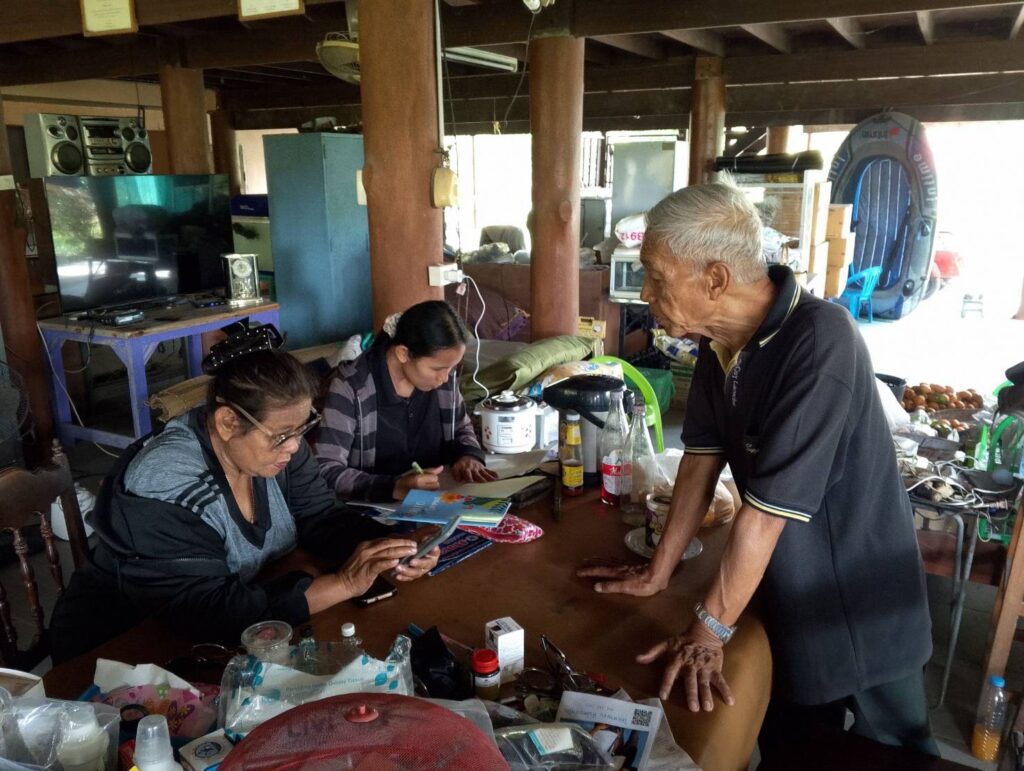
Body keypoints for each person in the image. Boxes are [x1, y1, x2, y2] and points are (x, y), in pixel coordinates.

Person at [578, 180, 938, 758]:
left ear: (715, 280)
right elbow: (699, 463)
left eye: (656, 277)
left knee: (895, 749)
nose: (645, 293)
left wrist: (707, 630)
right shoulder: (719, 342)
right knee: (796, 742)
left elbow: (766, 516)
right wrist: (658, 571)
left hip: (859, 590)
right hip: (790, 580)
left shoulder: (820, 339)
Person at [51, 327, 439, 662]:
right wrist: (344, 584)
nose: (295, 447)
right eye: (282, 435)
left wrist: (392, 548)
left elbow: (322, 517)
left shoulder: (277, 450)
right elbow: (211, 612)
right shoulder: (166, 482)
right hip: (122, 648)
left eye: (301, 429)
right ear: (227, 422)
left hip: (226, 629)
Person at [313, 300, 496, 502]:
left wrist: (468, 455)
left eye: (451, 368)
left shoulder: (442, 382)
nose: (445, 378)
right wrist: (393, 487)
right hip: (372, 508)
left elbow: (461, 427)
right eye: (437, 369)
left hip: (438, 501)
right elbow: (326, 469)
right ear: (403, 353)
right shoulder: (352, 386)